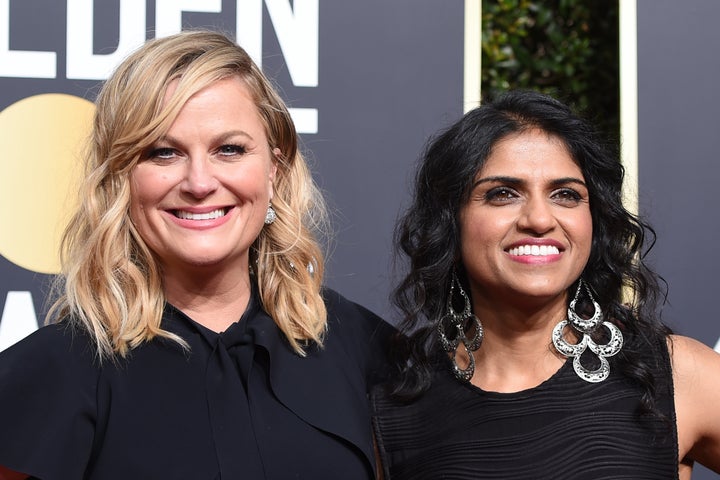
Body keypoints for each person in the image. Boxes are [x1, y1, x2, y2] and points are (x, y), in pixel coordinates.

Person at [0, 30, 390, 480]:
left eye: (229, 149)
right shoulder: (57, 371)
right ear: (121, 180)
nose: (199, 182)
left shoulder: (359, 346)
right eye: (163, 153)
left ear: (275, 172)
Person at [371, 90, 720, 479]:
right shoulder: (395, 402)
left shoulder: (676, 374)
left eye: (566, 195)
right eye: (503, 194)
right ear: (449, 224)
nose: (539, 219)